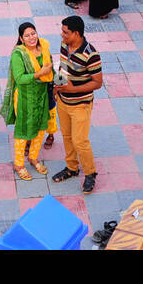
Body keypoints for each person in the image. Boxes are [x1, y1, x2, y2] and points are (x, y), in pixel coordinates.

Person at [52, 15, 103, 194]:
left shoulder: (91, 54)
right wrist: (57, 87)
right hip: (63, 102)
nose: (62, 35)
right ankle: (72, 168)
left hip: (81, 104)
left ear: (76, 33)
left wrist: (72, 89)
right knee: (66, 136)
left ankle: (90, 173)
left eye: (65, 32)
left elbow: (98, 83)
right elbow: (63, 68)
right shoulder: (65, 45)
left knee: (80, 141)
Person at [0, 22, 55, 180]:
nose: (32, 37)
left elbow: (51, 67)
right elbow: (20, 78)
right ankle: (19, 164)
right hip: (24, 97)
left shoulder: (43, 47)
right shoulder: (19, 54)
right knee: (24, 130)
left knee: (41, 127)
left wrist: (55, 82)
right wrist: (40, 73)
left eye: (33, 33)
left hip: (42, 94)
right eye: (27, 35)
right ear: (21, 39)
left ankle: (33, 157)